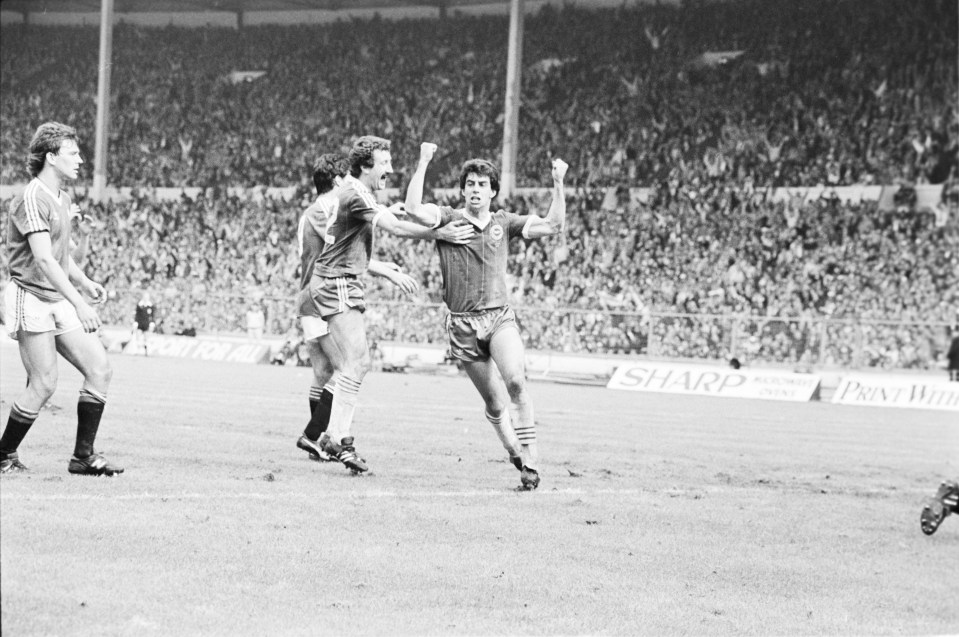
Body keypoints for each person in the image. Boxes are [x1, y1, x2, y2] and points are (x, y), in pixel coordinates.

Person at [404, 142, 568, 490]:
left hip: (498, 319)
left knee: (517, 383)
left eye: (482, 184)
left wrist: (558, 184)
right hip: (462, 325)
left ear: (493, 191)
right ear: (462, 190)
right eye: (470, 184)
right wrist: (423, 162)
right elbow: (412, 208)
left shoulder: (504, 223)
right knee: (494, 403)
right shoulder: (448, 219)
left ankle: (532, 460)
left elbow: (554, 225)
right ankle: (515, 453)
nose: (475, 189)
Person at [310, 135, 474, 473]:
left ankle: (330, 435)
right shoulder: (356, 193)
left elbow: (378, 220)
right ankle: (338, 438)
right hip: (337, 283)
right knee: (358, 361)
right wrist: (438, 234)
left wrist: (385, 262)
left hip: (339, 281)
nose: (391, 169)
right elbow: (396, 229)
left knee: (350, 365)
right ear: (366, 165)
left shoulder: (359, 192)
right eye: (385, 163)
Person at [0, 121, 123, 476]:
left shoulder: (62, 199)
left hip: (57, 297)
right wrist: (81, 304)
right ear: (51, 157)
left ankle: (83, 457)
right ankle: (4, 453)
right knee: (44, 383)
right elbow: (42, 258)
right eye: (73, 153)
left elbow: (62, 257)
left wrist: (85, 283)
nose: (81, 160)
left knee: (100, 369)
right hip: (32, 296)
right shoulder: (30, 197)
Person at [294, 152, 426, 463]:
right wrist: (387, 269)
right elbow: (341, 254)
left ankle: (317, 439)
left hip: (310, 295)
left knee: (325, 371)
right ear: (338, 180)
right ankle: (319, 436)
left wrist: (381, 211)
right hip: (321, 295)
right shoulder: (327, 207)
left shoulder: (318, 210)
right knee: (348, 367)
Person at [131, 291, 156, 356]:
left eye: (147, 297)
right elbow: (137, 315)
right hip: (140, 324)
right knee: (138, 338)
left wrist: (152, 324)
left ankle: (147, 352)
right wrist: (135, 323)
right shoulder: (139, 305)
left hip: (147, 324)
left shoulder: (151, 306)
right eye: (145, 297)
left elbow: (152, 316)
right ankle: (136, 351)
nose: (146, 298)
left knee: (147, 339)